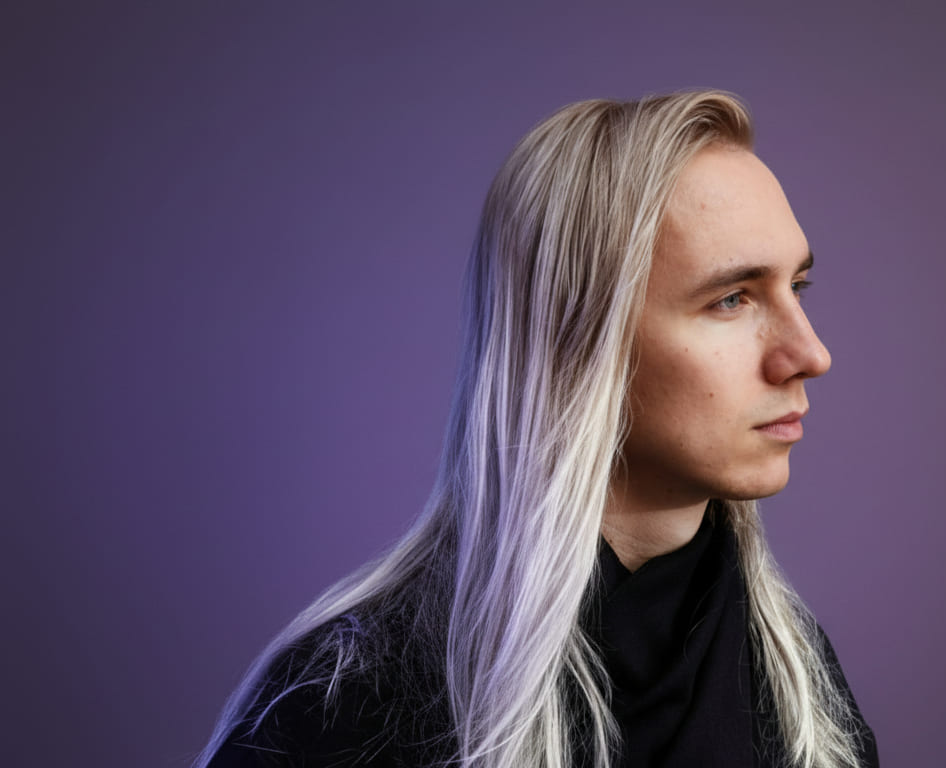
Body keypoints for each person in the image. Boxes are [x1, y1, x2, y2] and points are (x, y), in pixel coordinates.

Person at [196, 89, 878, 768]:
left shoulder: (800, 692)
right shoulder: (343, 705)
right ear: (573, 337)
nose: (810, 354)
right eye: (731, 299)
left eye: (798, 288)